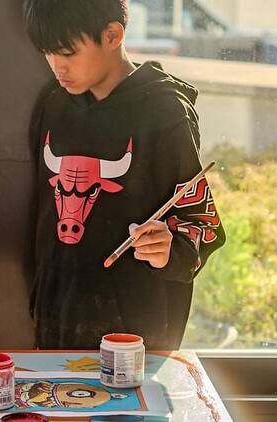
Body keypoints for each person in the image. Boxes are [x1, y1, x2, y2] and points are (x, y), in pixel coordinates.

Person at [23, 0, 226, 350]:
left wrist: (168, 247)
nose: (57, 66)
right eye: (48, 53)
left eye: (68, 53)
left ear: (113, 35)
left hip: (136, 330)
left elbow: (203, 225)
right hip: (57, 318)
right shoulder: (52, 103)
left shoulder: (166, 112)